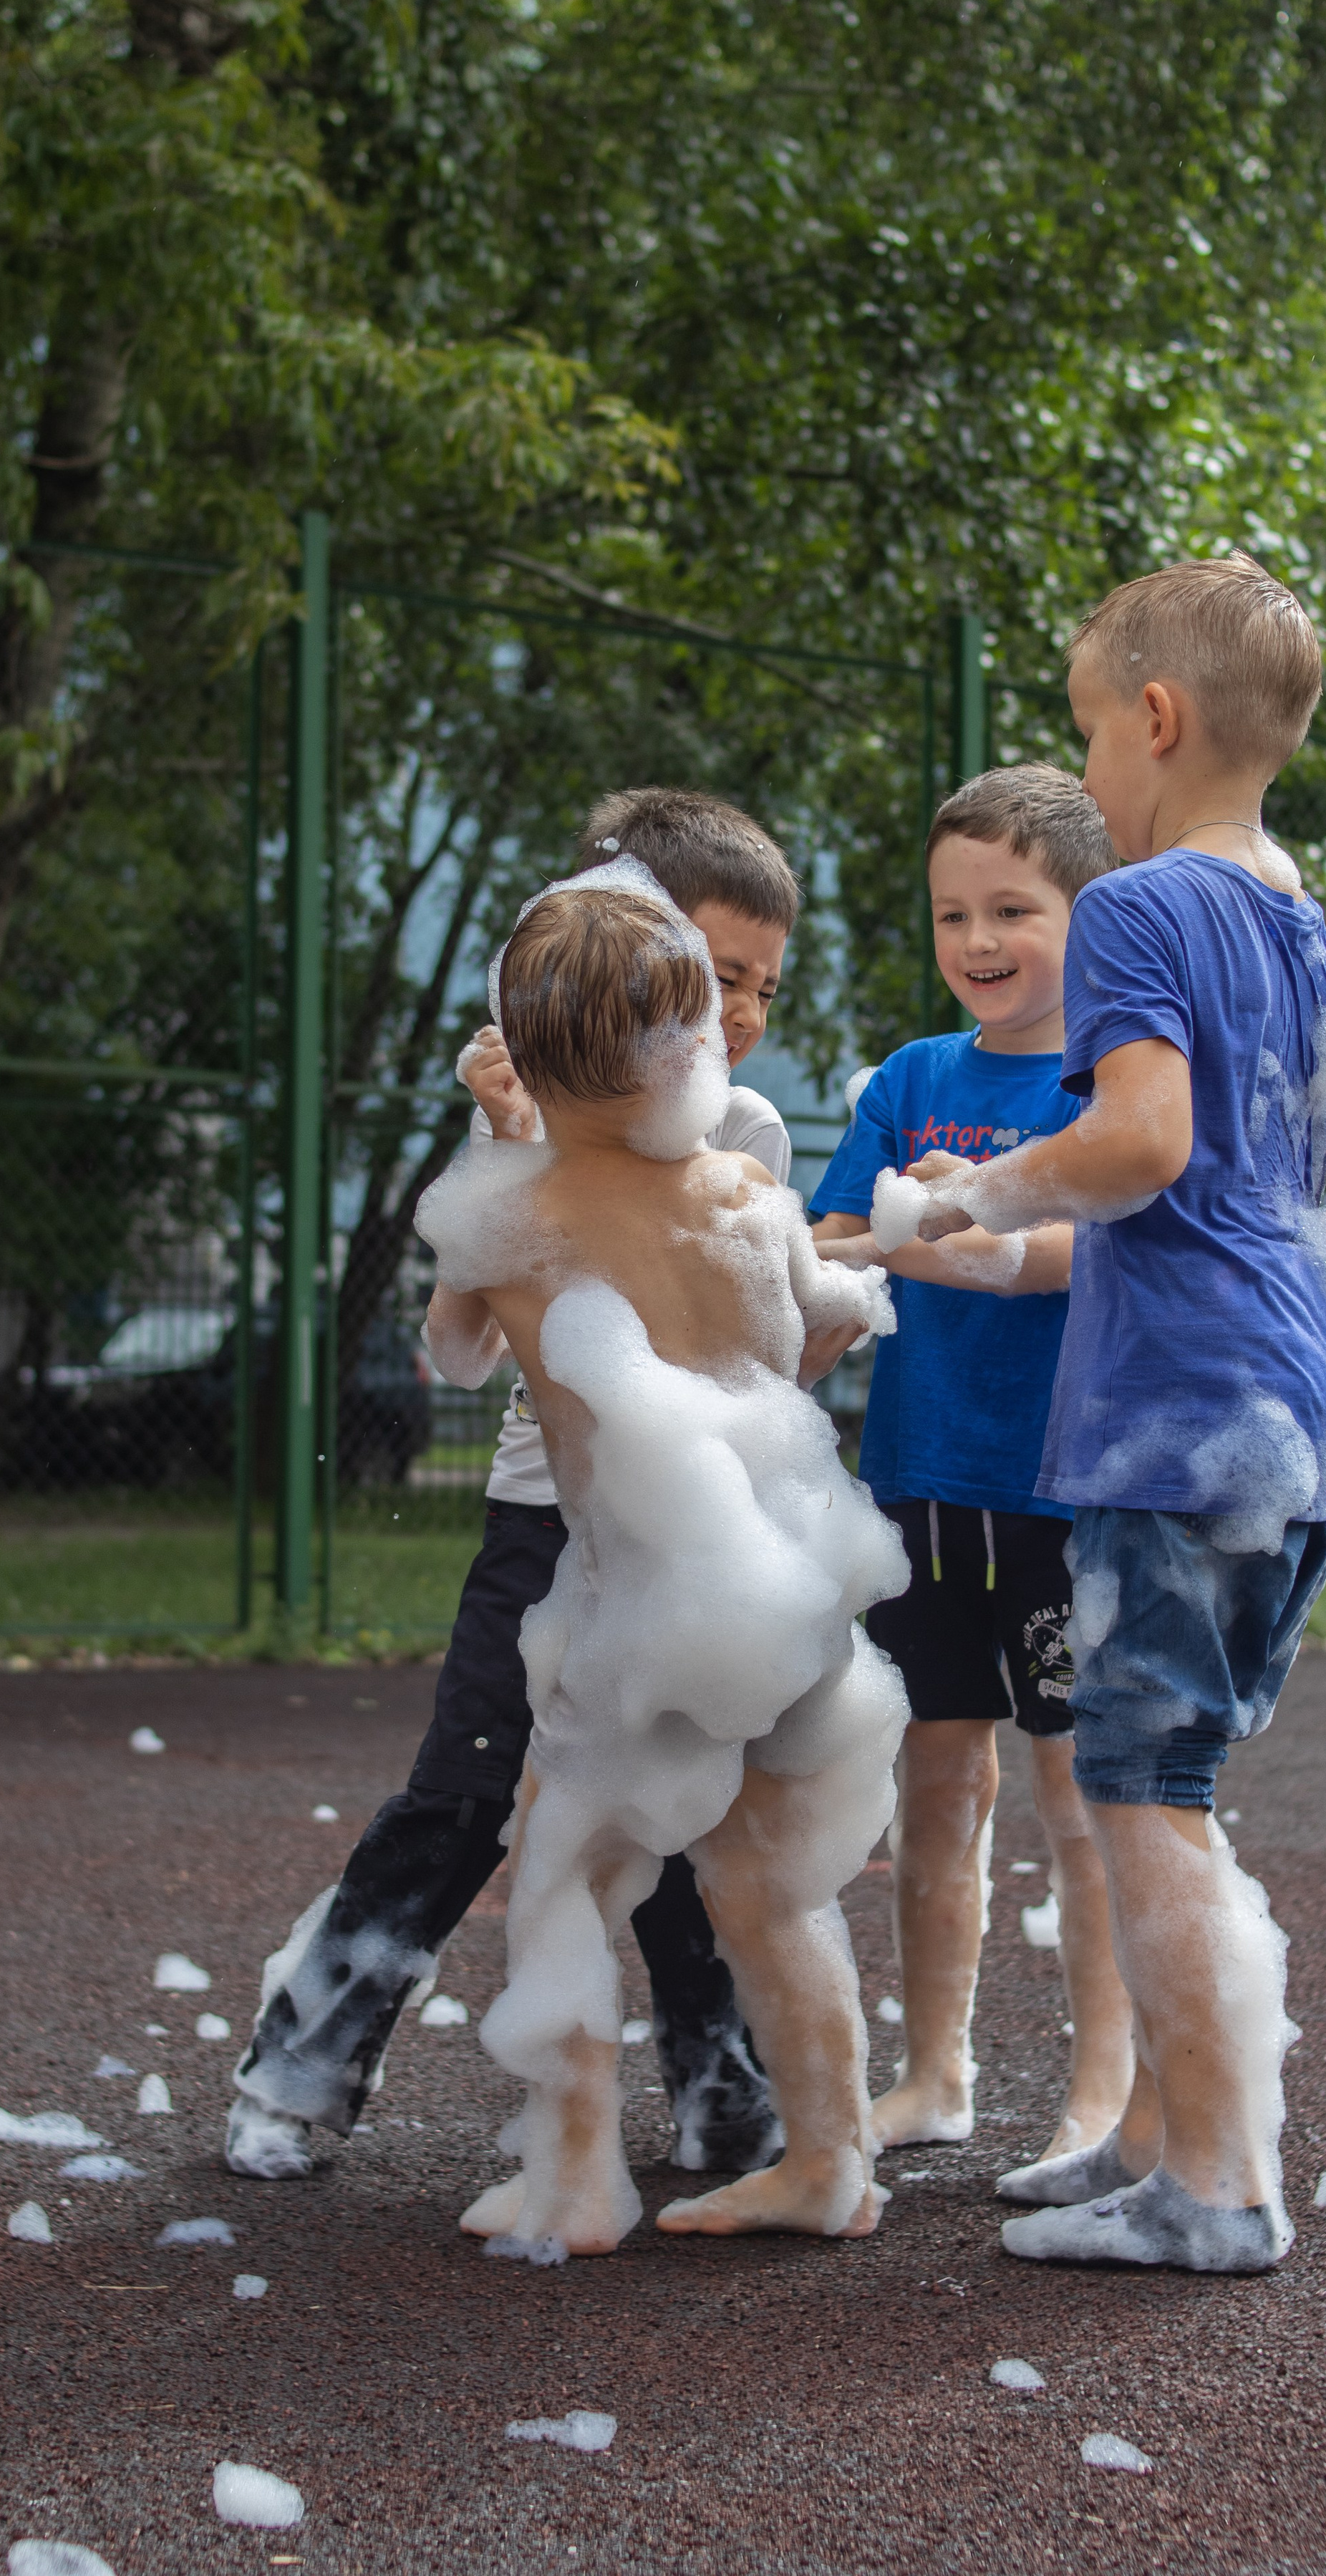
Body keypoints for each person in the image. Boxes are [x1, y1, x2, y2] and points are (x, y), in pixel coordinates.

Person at [899, 556, 1326, 2272]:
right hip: (1296, 1425)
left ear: (1149, 722)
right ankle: (1148, 2139)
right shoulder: (1300, 930)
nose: (1087, 772)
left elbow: (1135, 1146)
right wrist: (1292, 1287)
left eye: (1085, 736)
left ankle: (1213, 2189)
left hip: (1173, 1422)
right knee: (1175, 1779)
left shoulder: (1139, 908)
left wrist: (972, 1199)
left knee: (1141, 1790)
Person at [226, 790, 809, 2184]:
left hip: (680, 1539)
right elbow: (450, 1350)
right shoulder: (521, 1135)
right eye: (710, 978)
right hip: (541, 1533)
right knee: (459, 1795)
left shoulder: (749, 1135)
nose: (732, 1015)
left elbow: (759, 1355)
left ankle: (728, 2096)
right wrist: (504, 1158)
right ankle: (300, 2067)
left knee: (682, 1815)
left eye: (761, 988)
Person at [420, 867, 907, 2255]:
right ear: (688, 1041)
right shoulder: (749, 1194)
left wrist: (503, 1142)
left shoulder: (511, 1222)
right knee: (768, 1895)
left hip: (642, 1621)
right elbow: (826, 1323)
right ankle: (831, 2161)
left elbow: (448, 1357)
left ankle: (574, 2186)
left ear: (525, 1054)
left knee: (563, 1879)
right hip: (797, 1597)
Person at [809, 764, 1137, 2172]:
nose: (977, 940)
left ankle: (1102, 2096)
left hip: (1067, 1493)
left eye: (1012, 907)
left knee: (1081, 1796)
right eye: (952, 913)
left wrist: (948, 1240)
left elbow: (1094, 1246)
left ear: (1087, 913)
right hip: (918, 1485)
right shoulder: (909, 1080)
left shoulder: (1118, 1086)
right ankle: (933, 2073)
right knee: (934, 1782)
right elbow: (828, 1244)